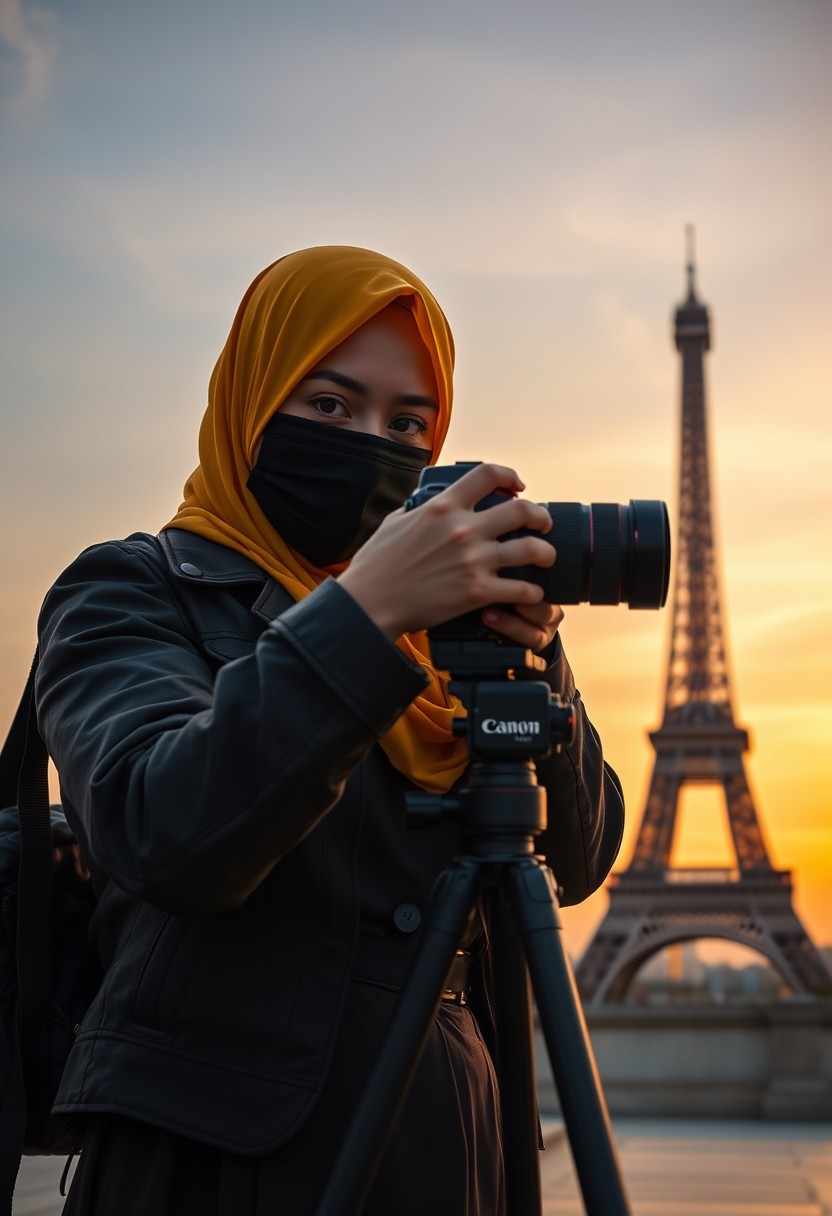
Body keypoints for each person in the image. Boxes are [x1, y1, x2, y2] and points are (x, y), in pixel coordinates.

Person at [35, 245, 624, 1215]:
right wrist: (359, 614)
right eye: (327, 405)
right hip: (220, 1174)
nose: (369, 443)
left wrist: (533, 658)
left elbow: (582, 852)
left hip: (450, 1163)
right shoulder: (131, 590)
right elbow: (159, 827)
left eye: (407, 422)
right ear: (251, 400)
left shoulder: (445, 636)